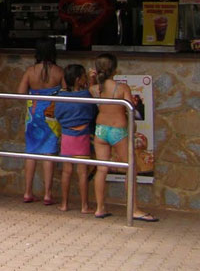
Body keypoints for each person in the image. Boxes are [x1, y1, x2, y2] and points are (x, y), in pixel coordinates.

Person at [90, 53, 158, 222]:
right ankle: (133, 209)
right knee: (131, 168)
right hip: (117, 130)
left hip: (100, 130)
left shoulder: (94, 88)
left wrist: (92, 79)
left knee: (102, 169)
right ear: (115, 69)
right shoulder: (121, 88)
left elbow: (95, 93)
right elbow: (131, 109)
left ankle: (99, 208)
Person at [17, 38, 64, 204]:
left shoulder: (30, 71)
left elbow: (21, 92)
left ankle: (28, 192)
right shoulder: (59, 71)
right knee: (49, 152)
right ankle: (47, 194)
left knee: (31, 151)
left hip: (33, 114)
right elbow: (65, 93)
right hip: (51, 115)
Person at [55, 64, 97, 213]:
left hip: (67, 135)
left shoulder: (61, 97)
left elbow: (57, 115)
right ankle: (84, 205)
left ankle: (64, 204)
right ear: (79, 79)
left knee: (66, 172)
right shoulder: (86, 96)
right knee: (83, 172)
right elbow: (93, 112)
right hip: (83, 135)